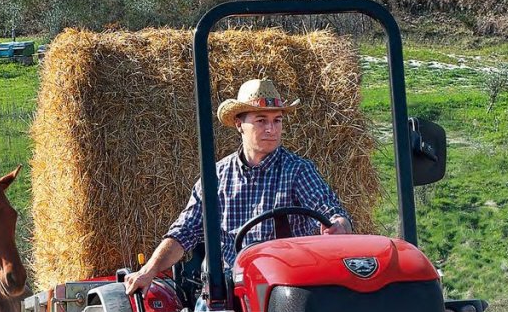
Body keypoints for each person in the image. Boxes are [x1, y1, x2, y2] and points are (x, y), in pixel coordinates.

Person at [124, 78, 353, 297]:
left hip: (285, 285)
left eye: (277, 121)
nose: (271, 129)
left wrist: (339, 225)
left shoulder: (298, 171)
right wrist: (149, 270)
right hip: (230, 287)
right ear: (239, 124)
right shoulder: (216, 177)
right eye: (261, 120)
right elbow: (184, 231)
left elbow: (328, 209)